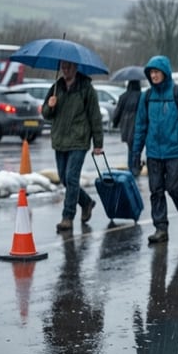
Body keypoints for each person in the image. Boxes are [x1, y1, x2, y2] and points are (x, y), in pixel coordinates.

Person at [129, 55, 178, 244]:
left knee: (173, 187)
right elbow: (140, 126)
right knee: (156, 190)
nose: (153, 75)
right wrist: (136, 152)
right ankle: (161, 228)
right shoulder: (147, 97)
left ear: (165, 73)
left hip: (175, 151)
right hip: (153, 151)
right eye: (151, 72)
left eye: (157, 72)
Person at [42, 60, 103, 232]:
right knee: (64, 178)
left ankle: (67, 216)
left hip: (79, 140)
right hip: (60, 139)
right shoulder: (57, 87)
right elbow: (46, 114)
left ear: (75, 67)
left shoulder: (86, 89)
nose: (66, 70)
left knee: (71, 177)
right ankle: (86, 202)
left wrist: (98, 144)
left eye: (69, 67)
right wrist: (50, 106)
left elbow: (95, 116)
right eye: (63, 67)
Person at [112, 79, 142, 172]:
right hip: (138, 125)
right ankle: (135, 167)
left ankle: (132, 167)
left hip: (126, 127)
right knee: (136, 148)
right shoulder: (142, 96)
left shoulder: (123, 97)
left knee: (130, 148)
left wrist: (115, 123)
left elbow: (117, 112)